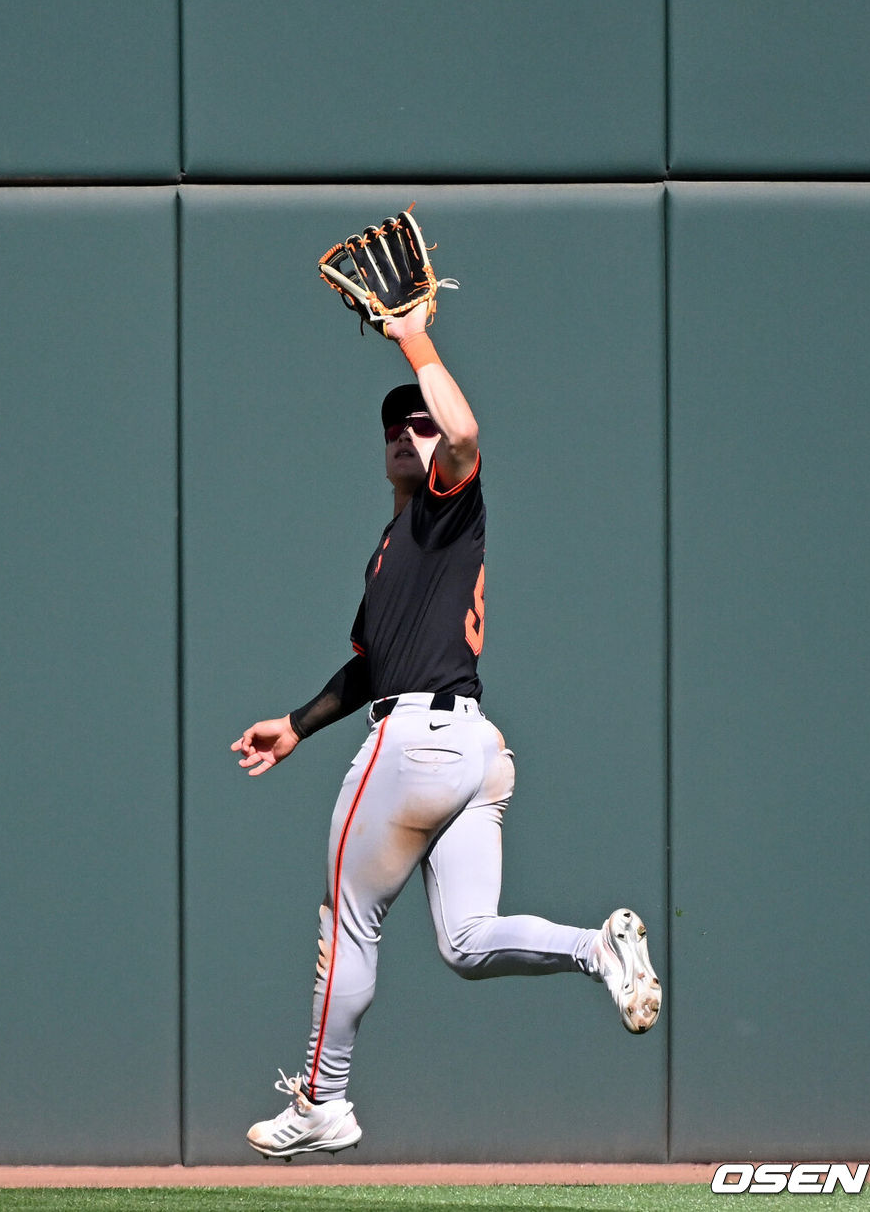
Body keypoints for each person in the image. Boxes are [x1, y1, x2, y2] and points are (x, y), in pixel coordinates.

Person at [231, 300, 662, 1160]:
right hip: (472, 750)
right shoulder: (397, 541)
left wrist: (413, 338)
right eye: (396, 423)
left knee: (347, 919)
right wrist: (296, 725)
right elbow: (368, 666)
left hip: (420, 743)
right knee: (466, 941)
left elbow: (464, 437)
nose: (409, 430)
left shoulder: (445, 505)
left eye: (419, 421)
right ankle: (597, 946)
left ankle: (325, 1099)